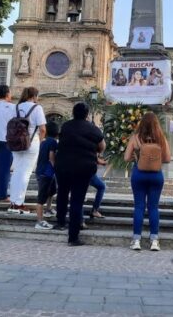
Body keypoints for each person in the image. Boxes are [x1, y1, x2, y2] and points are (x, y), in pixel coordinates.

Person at [55, 102, 105, 246]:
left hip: (63, 165)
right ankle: (73, 237)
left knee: (62, 195)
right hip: (83, 167)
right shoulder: (93, 129)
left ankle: (60, 222)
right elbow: (102, 146)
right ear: (87, 114)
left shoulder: (66, 126)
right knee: (77, 200)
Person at [124, 112, 171, 251]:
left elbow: (126, 157)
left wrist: (137, 157)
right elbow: (168, 159)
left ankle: (137, 240)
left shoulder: (136, 138)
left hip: (139, 174)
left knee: (139, 206)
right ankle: (154, 241)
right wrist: (154, 159)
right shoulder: (161, 138)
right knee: (153, 207)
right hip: (156, 175)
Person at [8, 87, 46, 214]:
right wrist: (40, 141)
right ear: (35, 96)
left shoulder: (16, 107)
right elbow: (43, 129)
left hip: (16, 142)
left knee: (17, 171)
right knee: (25, 173)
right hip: (31, 142)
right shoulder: (37, 108)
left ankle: (13, 202)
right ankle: (19, 204)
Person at [34, 121, 59, 230]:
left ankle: (48, 209)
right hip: (46, 173)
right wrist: (56, 168)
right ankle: (39, 221)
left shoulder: (43, 142)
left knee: (52, 191)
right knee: (41, 198)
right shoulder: (53, 142)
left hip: (42, 171)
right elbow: (51, 157)